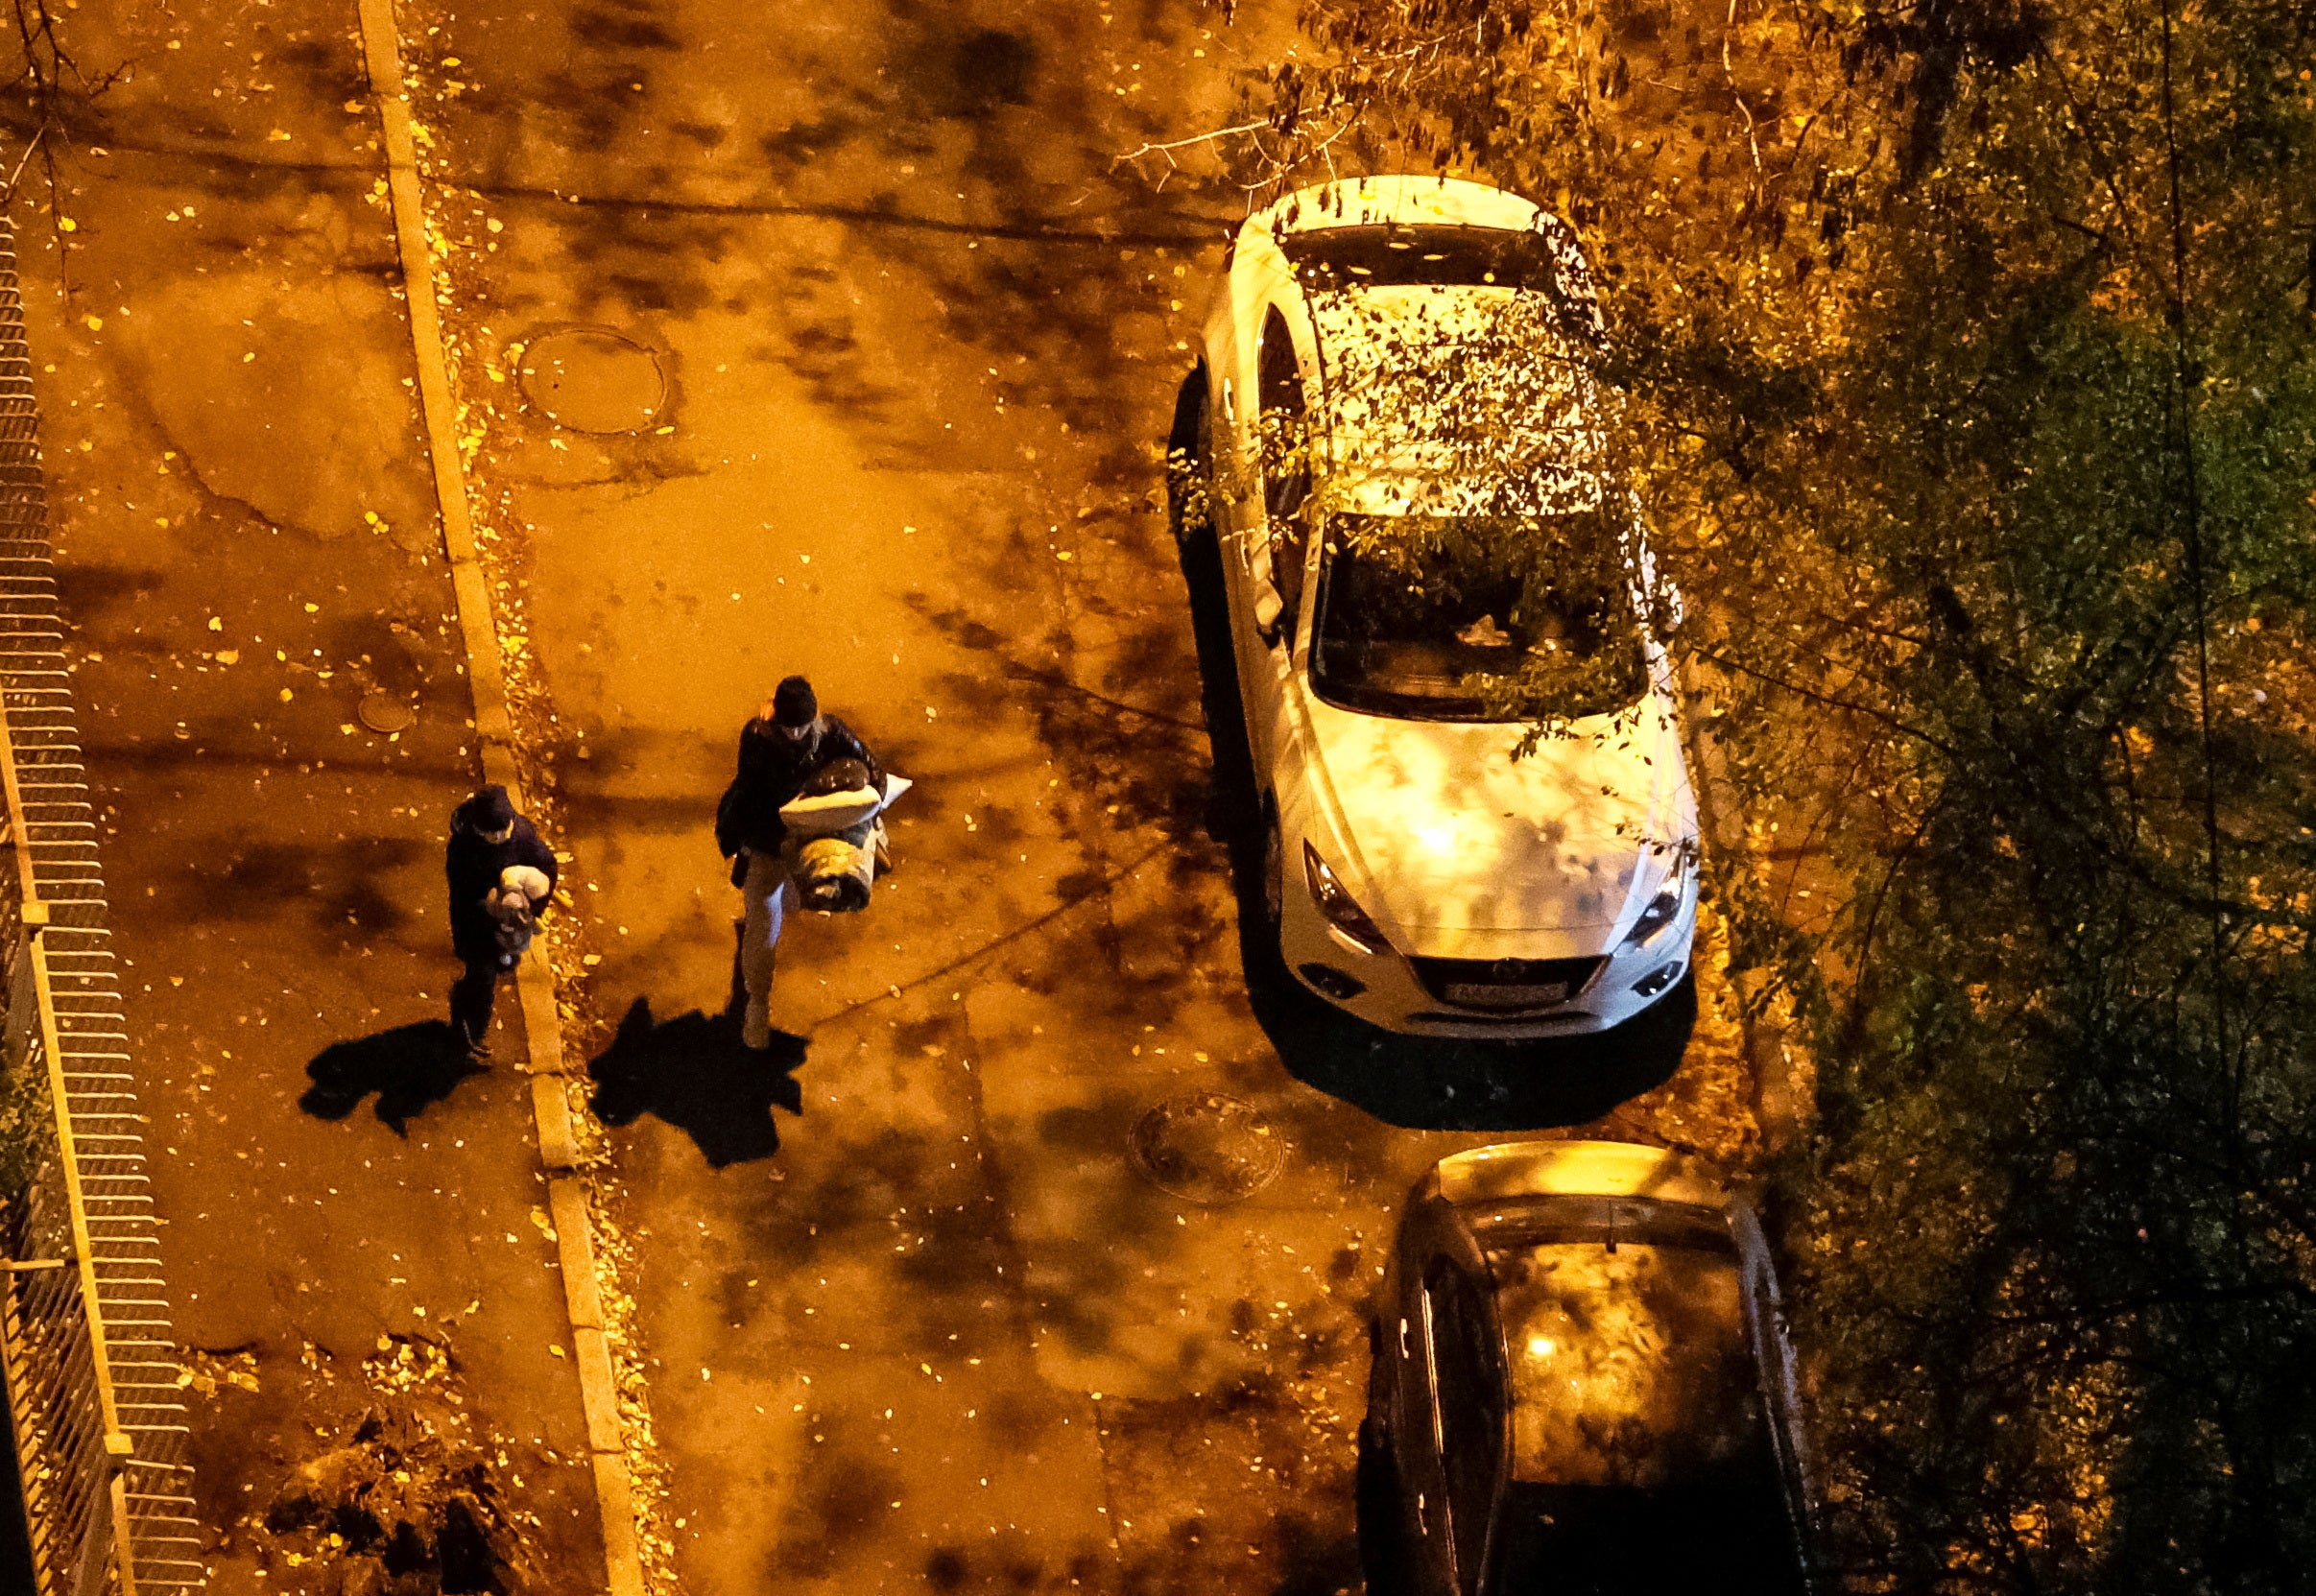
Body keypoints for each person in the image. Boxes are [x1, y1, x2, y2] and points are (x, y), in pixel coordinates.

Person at [715, 676, 882, 1049]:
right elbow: (750, 796)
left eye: (800, 727)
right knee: (763, 923)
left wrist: (861, 810)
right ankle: (756, 1006)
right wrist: (776, 835)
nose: (793, 734)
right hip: (768, 842)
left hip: (807, 838)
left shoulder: (831, 731)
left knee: (790, 901)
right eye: (786, 726)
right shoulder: (757, 737)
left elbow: (874, 771)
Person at [446, 784, 558, 1057]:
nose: (500, 837)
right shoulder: (463, 848)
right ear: (478, 828)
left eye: (504, 829)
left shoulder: (521, 835)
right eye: (492, 833)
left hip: (508, 922)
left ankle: (464, 1010)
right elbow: (461, 890)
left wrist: (534, 907)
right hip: (476, 922)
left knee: (494, 970)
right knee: (482, 975)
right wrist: (488, 906)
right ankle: (471, 1032)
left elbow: (547, 867)